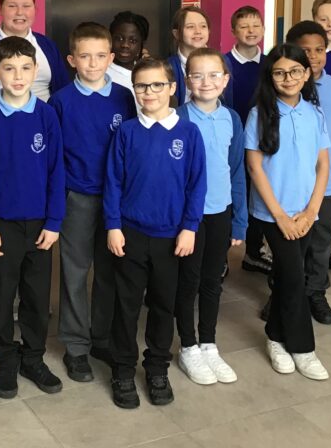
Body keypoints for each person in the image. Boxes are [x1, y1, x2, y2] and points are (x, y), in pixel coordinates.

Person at [104, 58, 207, 409]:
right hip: (131, 233)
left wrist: (189, 227)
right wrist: (113, 225)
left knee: (164, 304)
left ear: (173, 88)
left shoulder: (189, 133)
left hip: (171, 237)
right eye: (142, 86)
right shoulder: (127, 132)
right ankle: (122, 369)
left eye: (157, 85)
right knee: (126, 305)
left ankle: (157, 367)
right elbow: (113, 182)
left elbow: (197, 185)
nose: (149, 92)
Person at [0, 36, 66, 399]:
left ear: (35, 71)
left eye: (25, 68)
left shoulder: (46, 115)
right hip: (1, 226)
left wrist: (54, 222)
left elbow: (57, 170)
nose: (18, 76)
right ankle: (6, 360)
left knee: (37, 297)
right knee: (1, 296)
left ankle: (33, 357)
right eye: (9, 68)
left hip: (40, 225)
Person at [49, 22, 137, 383]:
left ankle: (101, 337)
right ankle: (75, 345)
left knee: (110, 270)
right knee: (75, 271)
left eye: (100, 56)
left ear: (111, 58)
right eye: (84, 56)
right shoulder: (60, 101)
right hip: (77, 198)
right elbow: (53, 158)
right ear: (72, 60)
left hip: (116, 200)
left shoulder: (124, 97)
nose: (93, 63)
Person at [244, 44, 330, 381]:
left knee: (287, 276)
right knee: (294, 278)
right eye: (279, 72)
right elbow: (255, 168)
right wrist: (280, 216)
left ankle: (275, 337)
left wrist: (311, 211)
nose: (288, 78)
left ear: (306, 74)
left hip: (306, 212)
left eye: (295, 71)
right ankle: (303, 348)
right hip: (273, 214)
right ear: (270, 77)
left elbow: (323, 166)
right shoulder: (259, 114)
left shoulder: (315, 113)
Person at [175, 48, 247, 386]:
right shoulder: (177, 118)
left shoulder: (232, 119)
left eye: (214, 75)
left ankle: (208, 342)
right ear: (187, 80)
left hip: (220, 211)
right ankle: (188, 346)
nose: (206, 82)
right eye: (198, 75)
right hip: (187, 218)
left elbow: (236, 170)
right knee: (187, 281)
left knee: (212, 281)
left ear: (226, 79)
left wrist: (239, 218)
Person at [287, 22, 331, 324]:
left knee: (320, 240)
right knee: (290, 242)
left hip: (329, 181)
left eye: (319, 50)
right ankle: (284, 293)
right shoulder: (283, 88)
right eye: (305, 51)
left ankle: (315, 291)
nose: (313, 56)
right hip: (290, 183)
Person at [221, 5, 271, 277]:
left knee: (258, 194)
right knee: (228, 194)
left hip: (261, 143)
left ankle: (254, 250)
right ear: (233, 31)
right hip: (229, 141)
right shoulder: (223, 63)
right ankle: (220, 254)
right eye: (244, 26)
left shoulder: (271, 64)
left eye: (256, 25)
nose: (251, 31)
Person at [167, 6, 210, 105]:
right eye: (190, 27)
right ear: (176, 34)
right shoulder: (167, 66)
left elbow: (227, 102)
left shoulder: (222, 61)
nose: (198, 31)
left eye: (203, 26)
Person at [106, 11, 149, 94]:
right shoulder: (102, 74)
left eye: (133, 41)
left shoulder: (147, 71)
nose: (125, 45)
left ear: (142, 44)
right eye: (119, 39)